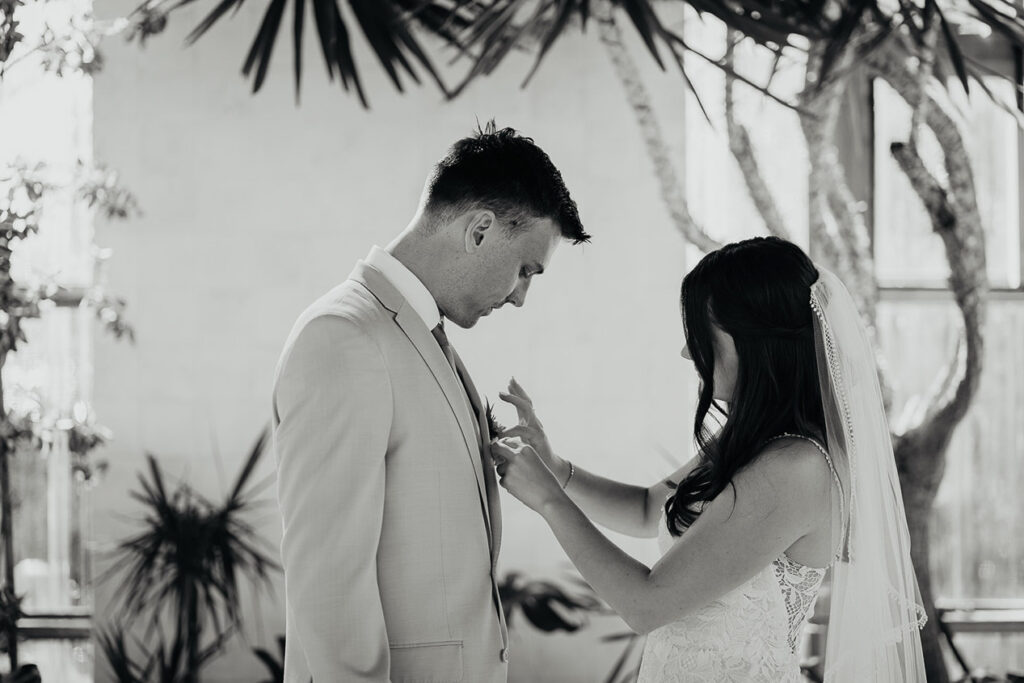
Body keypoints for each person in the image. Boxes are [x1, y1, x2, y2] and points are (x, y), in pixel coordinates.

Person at [492, 236, 926, 682]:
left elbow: (646, 604)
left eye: (701, 332)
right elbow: (647, 509)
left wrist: (548, 500)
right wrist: (554, 467)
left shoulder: (796, 468)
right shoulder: (751, 444)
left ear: (755, 341)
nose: (686, 351)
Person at [271, 123, 589, 683]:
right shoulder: (344, 336)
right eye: (525, 270)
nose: (520, 297)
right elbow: (327, 584)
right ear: (481, 230)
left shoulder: (420, 334)